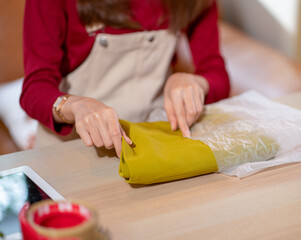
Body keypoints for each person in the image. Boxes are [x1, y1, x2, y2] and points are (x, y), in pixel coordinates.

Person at [20, 0, 230, 158]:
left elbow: (216, 73)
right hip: (72, 150)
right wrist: (76, 106)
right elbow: (34, 89)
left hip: (150, 146)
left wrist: (196, 83)